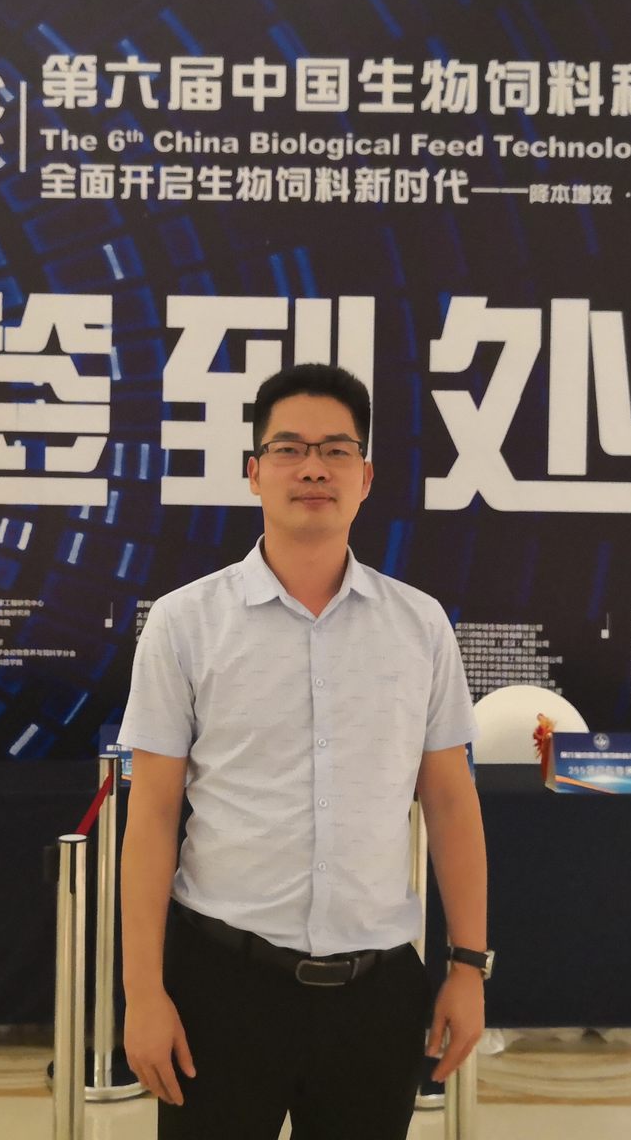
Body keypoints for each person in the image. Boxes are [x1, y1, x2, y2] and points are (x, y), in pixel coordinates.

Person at [118, 363, 491, 1140]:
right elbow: (151, 817)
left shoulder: (420, 627)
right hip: (220, 988)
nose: (313, 468)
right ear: (254, 472)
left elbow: (452, 803)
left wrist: (468, 967)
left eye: (336, 450)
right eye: (288, 449)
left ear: (365, 477)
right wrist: (143, 994)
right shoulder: (186, 624)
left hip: (376, 994)